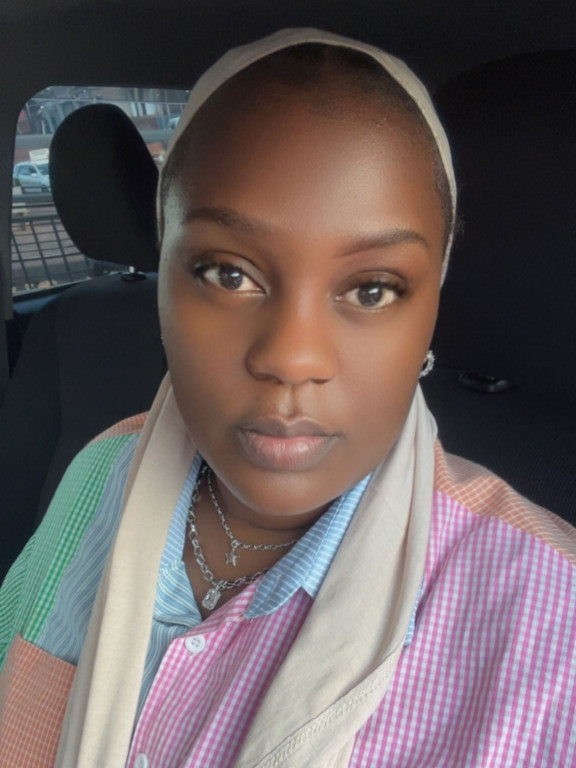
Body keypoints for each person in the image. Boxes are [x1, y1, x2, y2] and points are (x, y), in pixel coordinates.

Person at [1, 28, 575, 768]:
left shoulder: (553, 624)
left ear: (433, 306)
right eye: (228, 273)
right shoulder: (98, 475)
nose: (291, 357)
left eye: (373, 289)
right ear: (164, 277)